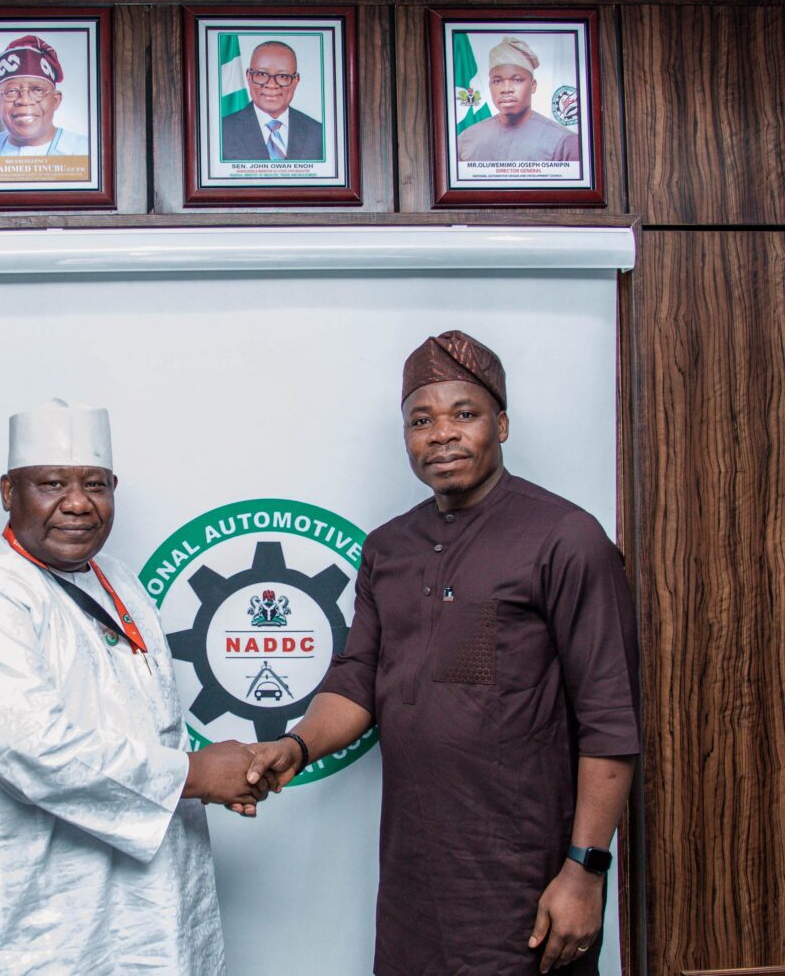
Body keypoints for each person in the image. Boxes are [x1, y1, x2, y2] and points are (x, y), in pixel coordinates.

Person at [244, 332, 640, 975]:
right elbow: (358, 678)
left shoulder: (565, 537)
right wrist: (296, 746)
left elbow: (611, 717)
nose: (442, 435)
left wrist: (585, 870)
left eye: (464, 413)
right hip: (414, 874)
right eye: (421, 420)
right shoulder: (388, 548)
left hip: (524, 875)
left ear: (501, 425)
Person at [0, 400, 272, 974]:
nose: (77, 503)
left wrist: (221, 775)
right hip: (19, 916)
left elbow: (146, 726)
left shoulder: (119, 581)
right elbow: (34, 752)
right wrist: (197, 775)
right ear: (8, 492)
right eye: (51, 484)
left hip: (133, 907)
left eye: (95, 484)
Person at [457, 36, 579, 162]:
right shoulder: (466, 140)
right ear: (490, 86)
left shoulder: (564, 142)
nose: (506, 89)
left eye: (517, 80)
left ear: (533, 86)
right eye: (497, 81)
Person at [0, 36, 89, 157]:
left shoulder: (87, 152)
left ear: (55, 101)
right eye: (11, 91)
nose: (24, 100)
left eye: (38, 90)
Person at [221, 41, 323, 161]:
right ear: (248, 76)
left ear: (296, 80)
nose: (271, 85)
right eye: (261, 74)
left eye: (283, 76)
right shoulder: (222, 132)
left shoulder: (318, 133)